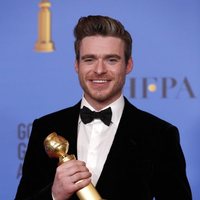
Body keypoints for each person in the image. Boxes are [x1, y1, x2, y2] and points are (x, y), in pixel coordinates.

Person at [15, 15, 192, 200]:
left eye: (111, 60)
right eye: (89, 59)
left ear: (128, 65)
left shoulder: (161, 135)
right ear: (77, 65)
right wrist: (54, 195)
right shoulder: (45, 127)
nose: (99, 70)